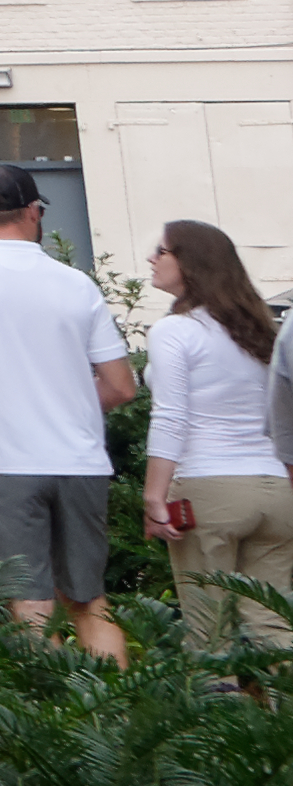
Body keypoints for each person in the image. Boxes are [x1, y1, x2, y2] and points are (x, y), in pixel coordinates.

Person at [0, 164, 136, 656]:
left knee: (28, 606)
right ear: (35, 212)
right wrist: (71, 404)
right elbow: (121, 387)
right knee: (90, 603)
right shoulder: (77, 284)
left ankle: (51, 722)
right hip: (79, 463)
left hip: (4, 464)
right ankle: (118, 717)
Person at [143, 216, 290, 650]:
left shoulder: (176, 330)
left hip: (209, 490)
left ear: (191, 263)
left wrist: (154, 495)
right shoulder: (263, 332)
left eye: (162, 251)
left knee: (209, 633)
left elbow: (171, 416)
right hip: (277, 491)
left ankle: (220, 714)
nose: (151, 259)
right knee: (273, 624)